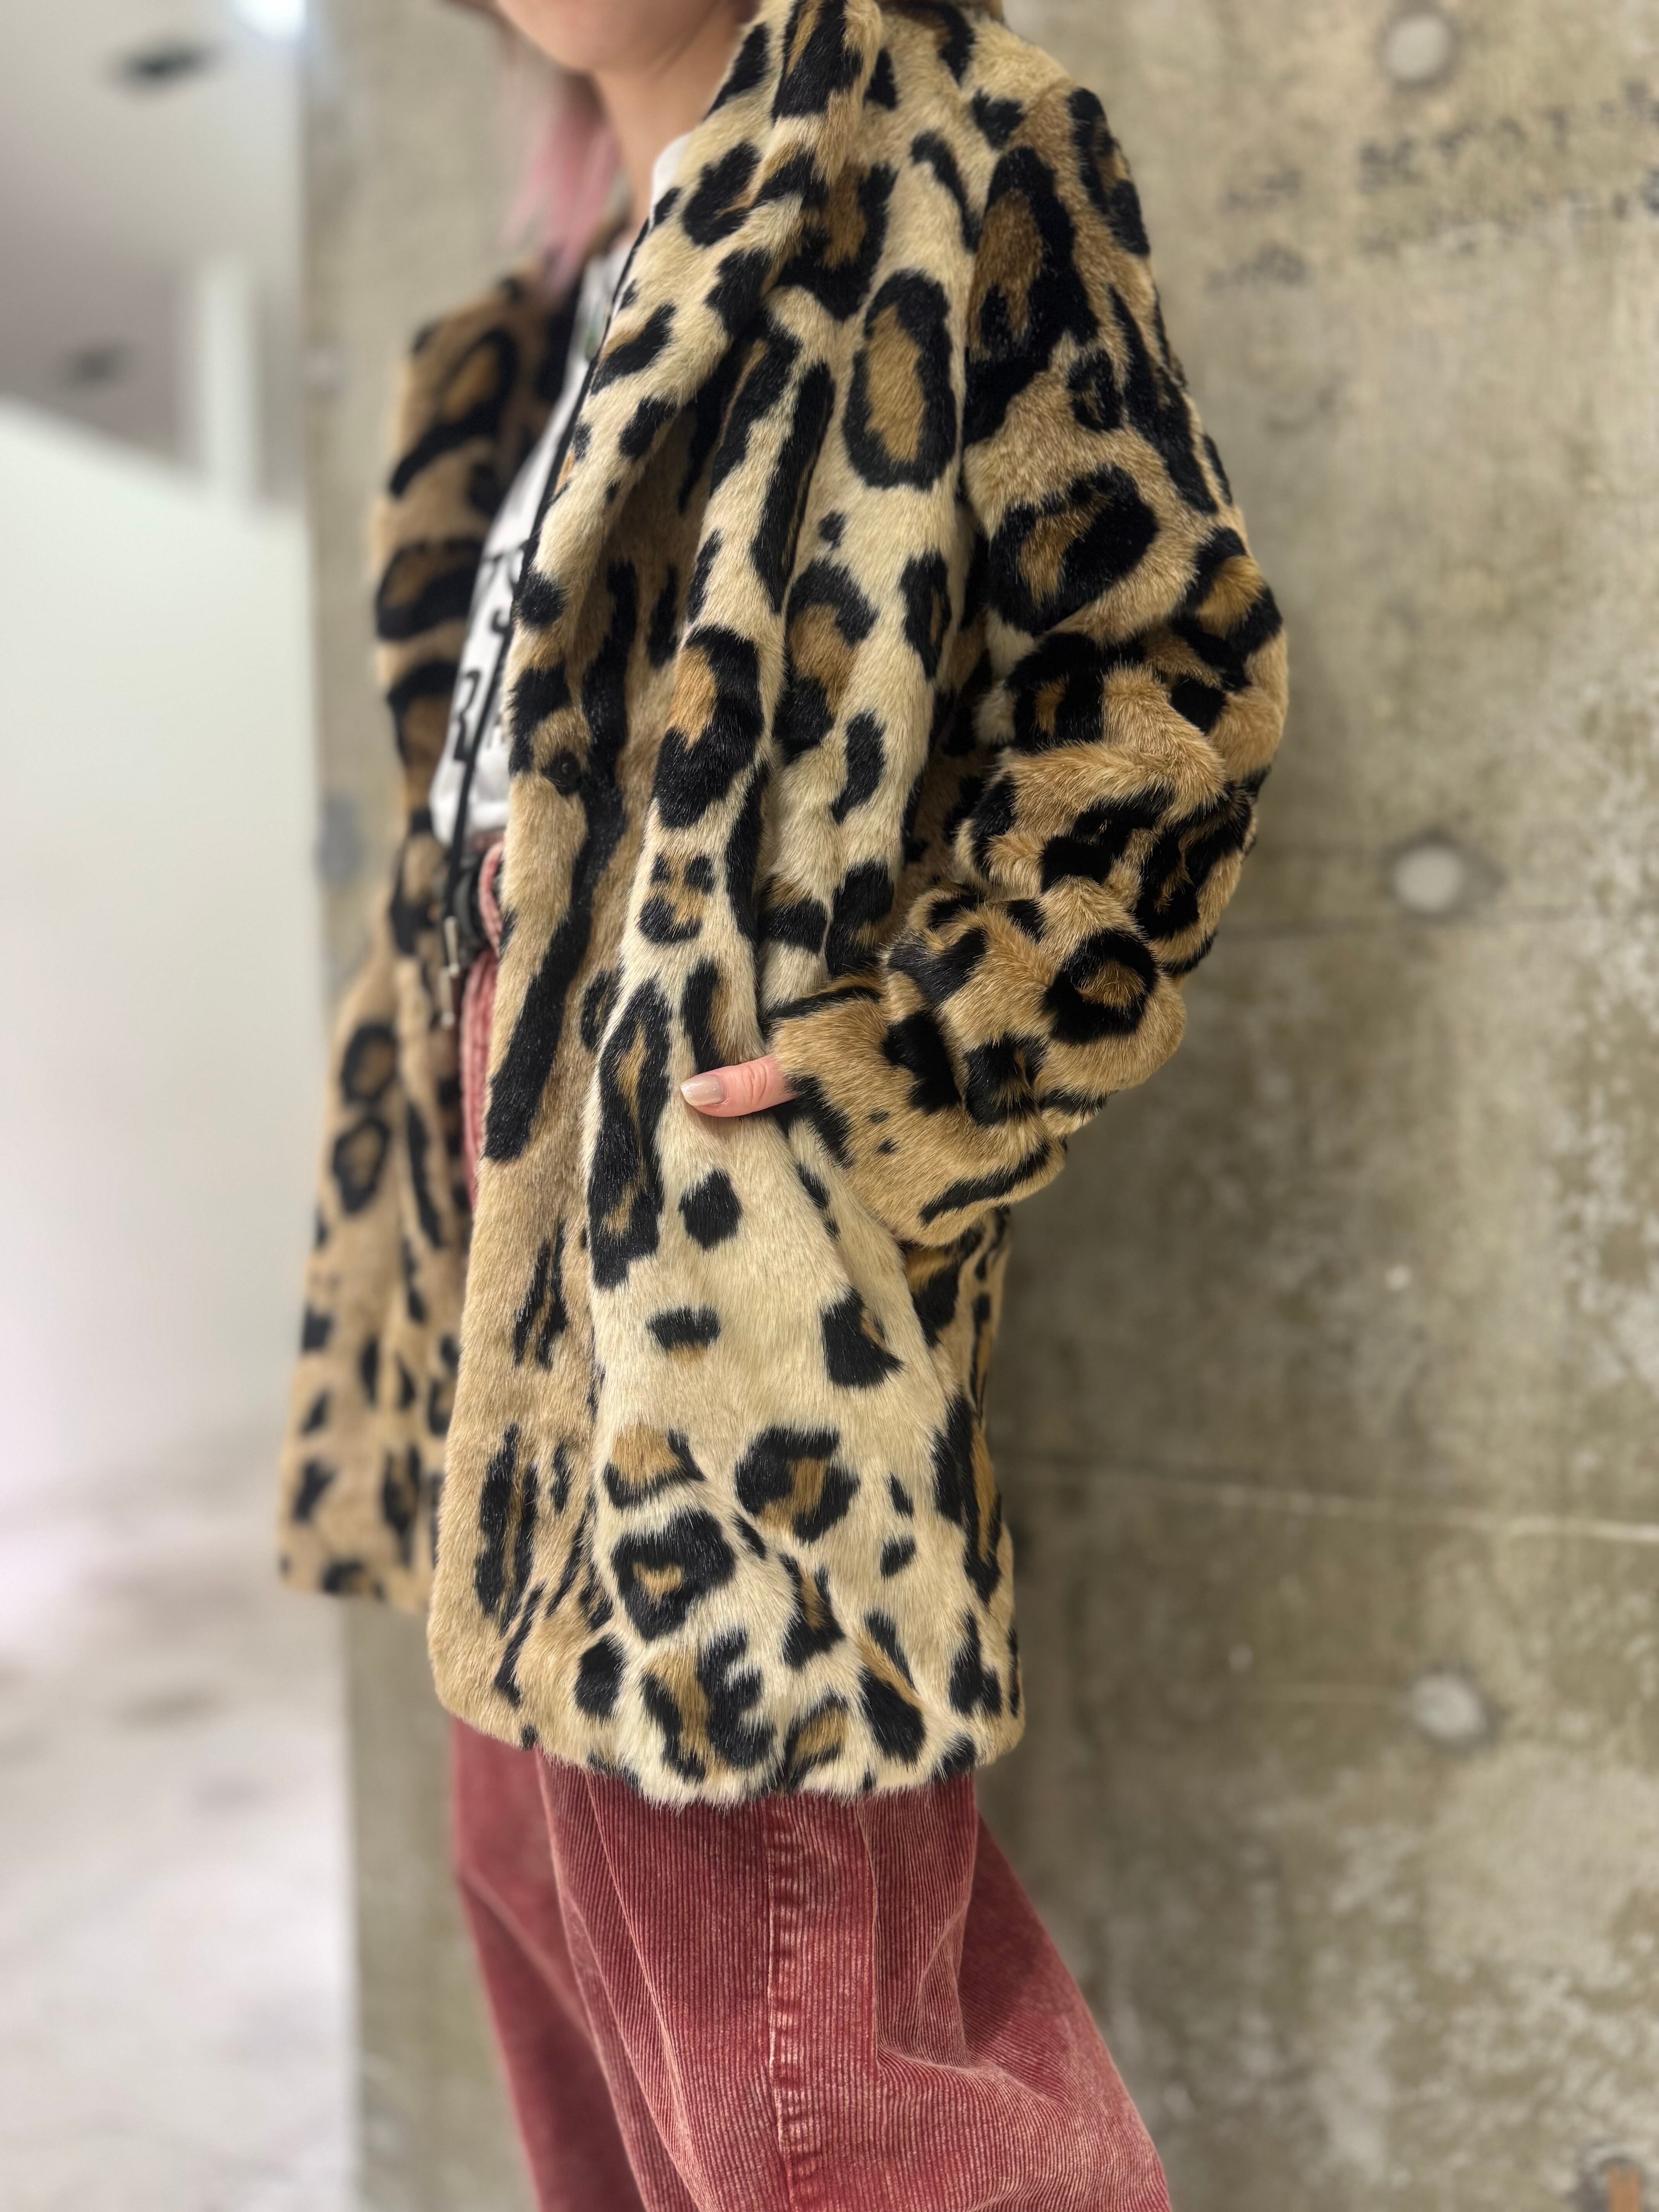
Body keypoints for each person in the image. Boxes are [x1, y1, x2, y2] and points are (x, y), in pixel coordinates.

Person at [279, 0, 1288, 2202]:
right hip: (483, 1201)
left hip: (713, 1223)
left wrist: (890, 1089)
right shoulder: (523, 324)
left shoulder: (942, 142)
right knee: (544, 1926)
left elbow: (1162, 682)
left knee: (810, 2090)